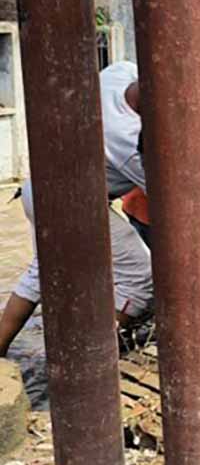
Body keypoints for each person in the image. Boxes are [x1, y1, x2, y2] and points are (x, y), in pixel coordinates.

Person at [0, 62, 153, 357]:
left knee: (43, 271)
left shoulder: (119, 72)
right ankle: (90, 358)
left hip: (39, 186)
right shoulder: (129, 143)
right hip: (73, 203)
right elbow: (173, 198)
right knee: (139, 275)